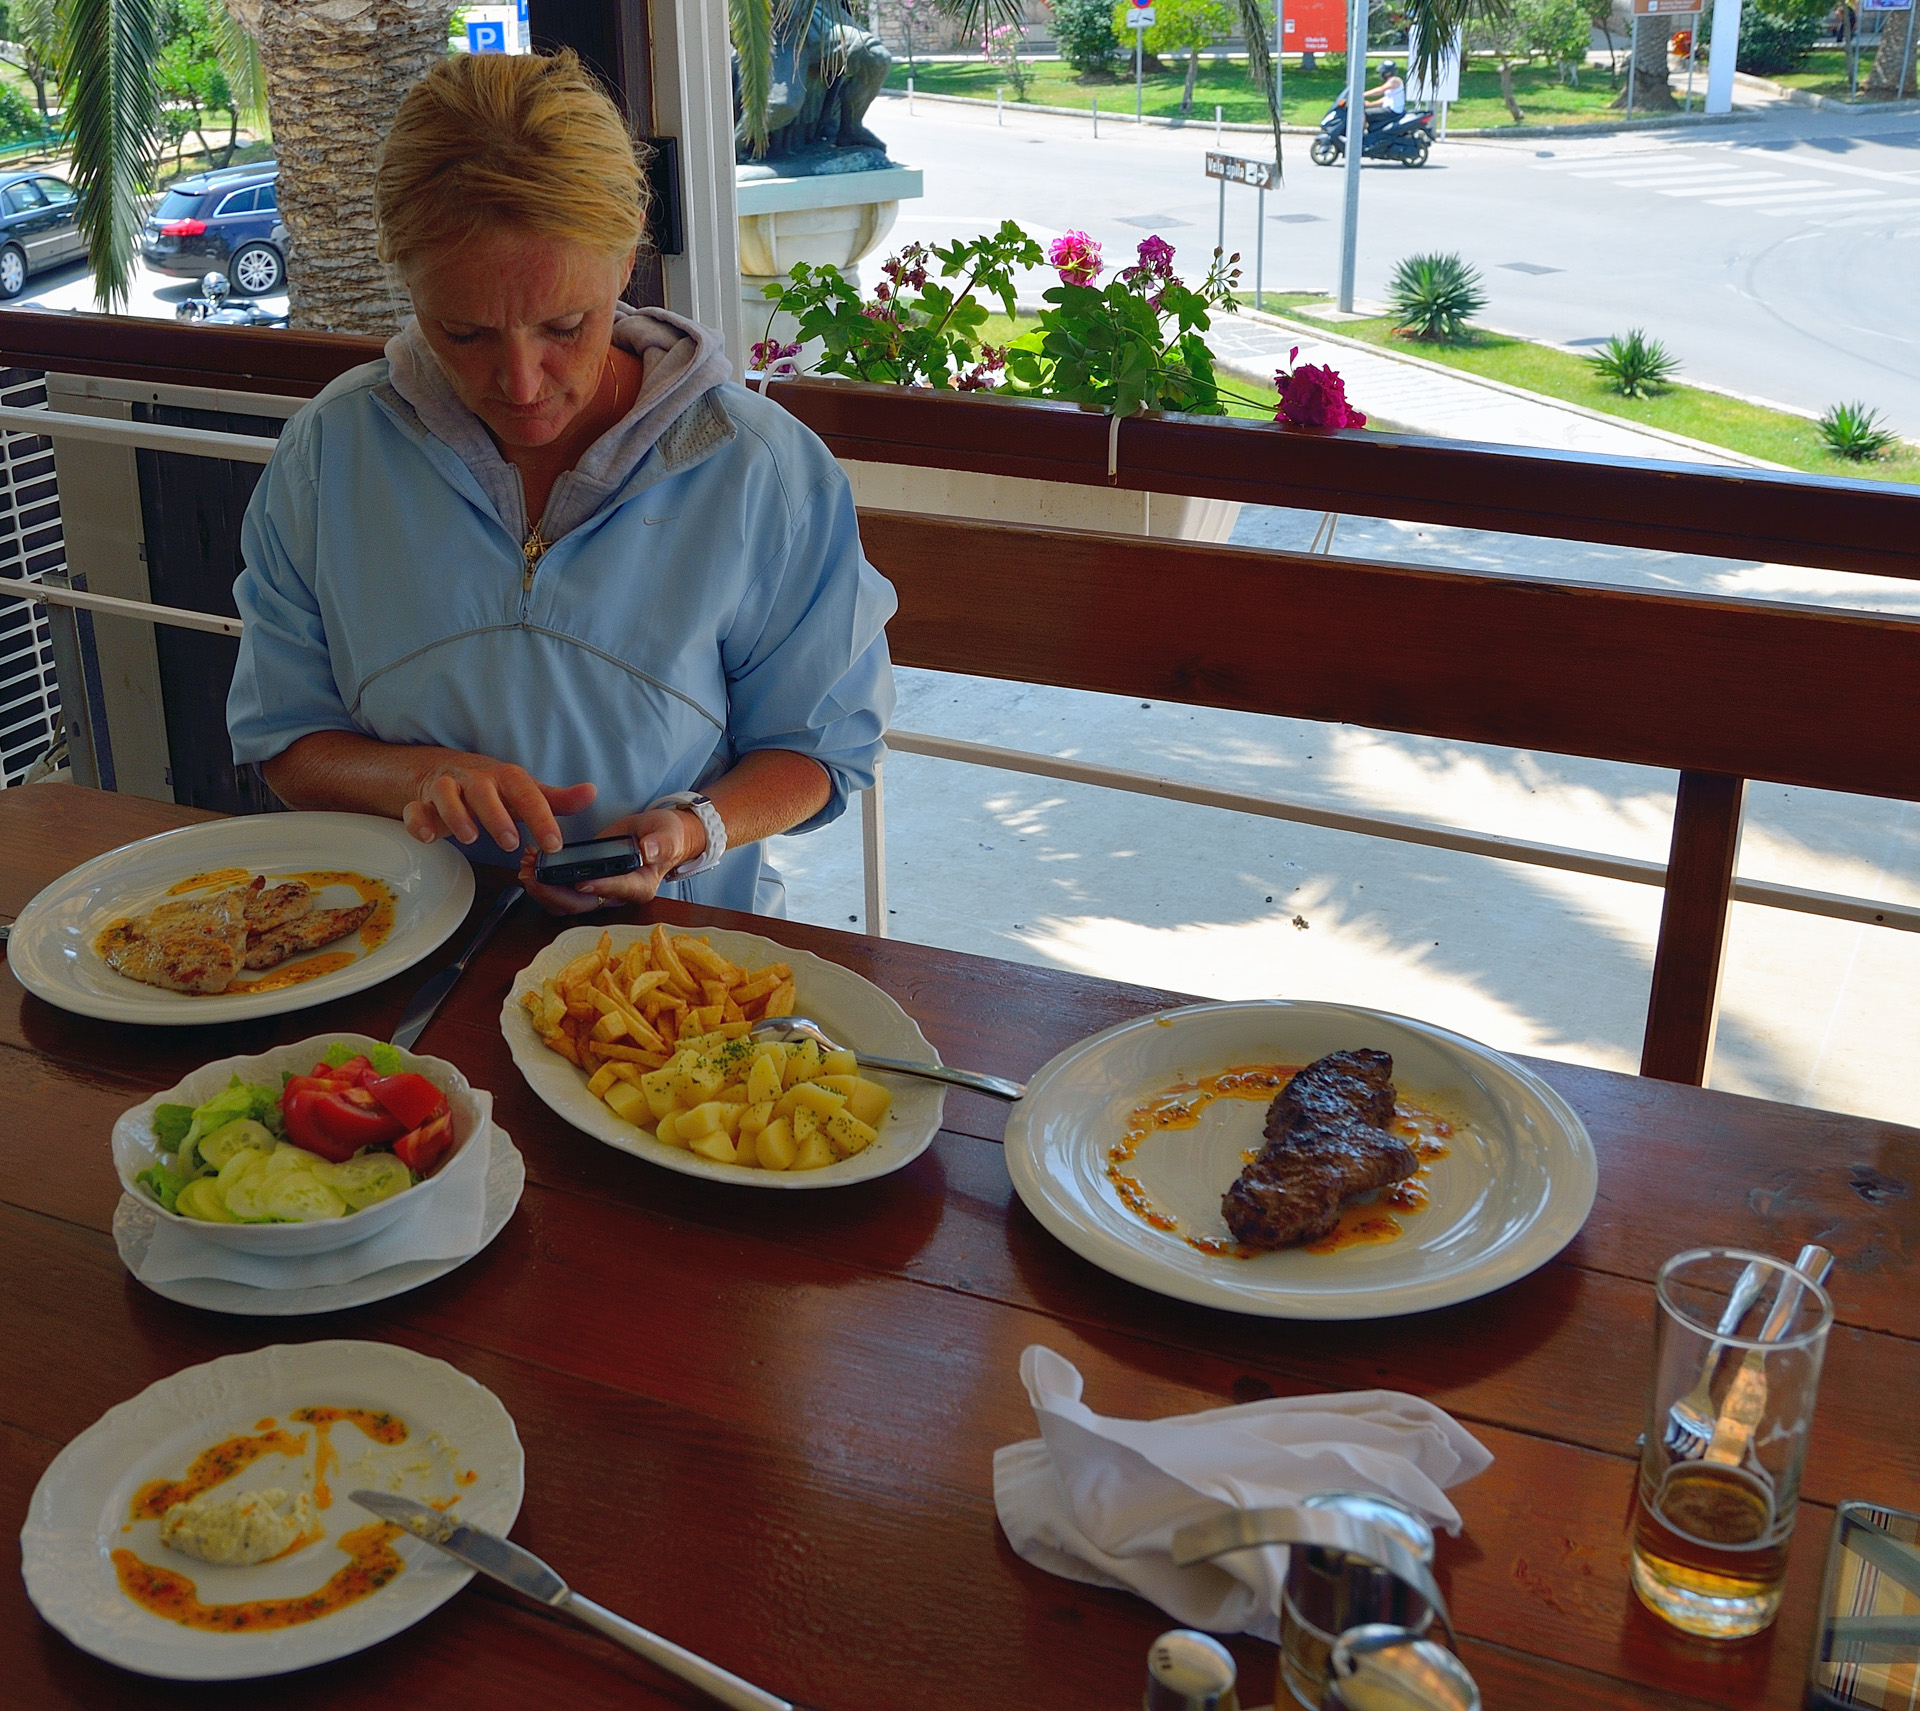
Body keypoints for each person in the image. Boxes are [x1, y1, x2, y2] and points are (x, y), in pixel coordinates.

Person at [227, 49, 896, 918]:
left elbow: (820, 750)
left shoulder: (758, 469)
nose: (522, 383)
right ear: (407, 282)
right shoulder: (332, 452)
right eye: (462, 333)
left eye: (565, 326)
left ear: (627, 261)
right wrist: (419, 775)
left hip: (672, 956)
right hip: (389, 943)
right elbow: (286, 737)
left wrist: (688, 831)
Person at [1363, 61, 1406, 126]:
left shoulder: (1395, 80)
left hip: (1393, 111)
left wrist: (1362, 94)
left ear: (1387, 73)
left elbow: (1380, 90)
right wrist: (1369, 104)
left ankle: (1358, 135)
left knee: (1364, 114)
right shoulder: (1390, 83)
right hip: (1390, 110)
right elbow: (1386, 99)